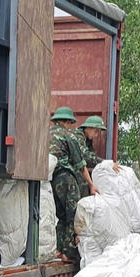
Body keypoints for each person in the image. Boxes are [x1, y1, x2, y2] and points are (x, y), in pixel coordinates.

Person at [50, 107, 99, 262]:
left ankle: (58, 249)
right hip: (65, 178)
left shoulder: (46, 134)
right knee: (73, 213)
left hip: (50, 180)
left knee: (60, 215)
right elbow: (80, 164)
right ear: (67, 122)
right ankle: (68, 252)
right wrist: (91, 184)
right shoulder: (69, 136)